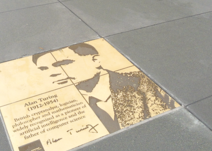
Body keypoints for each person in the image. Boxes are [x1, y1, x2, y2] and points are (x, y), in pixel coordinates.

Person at [32, 43, 177, 134]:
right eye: (44, 69)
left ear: (96, 60)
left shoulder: (140, 81)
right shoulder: (60, 100)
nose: (53, 73)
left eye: (61, 64)